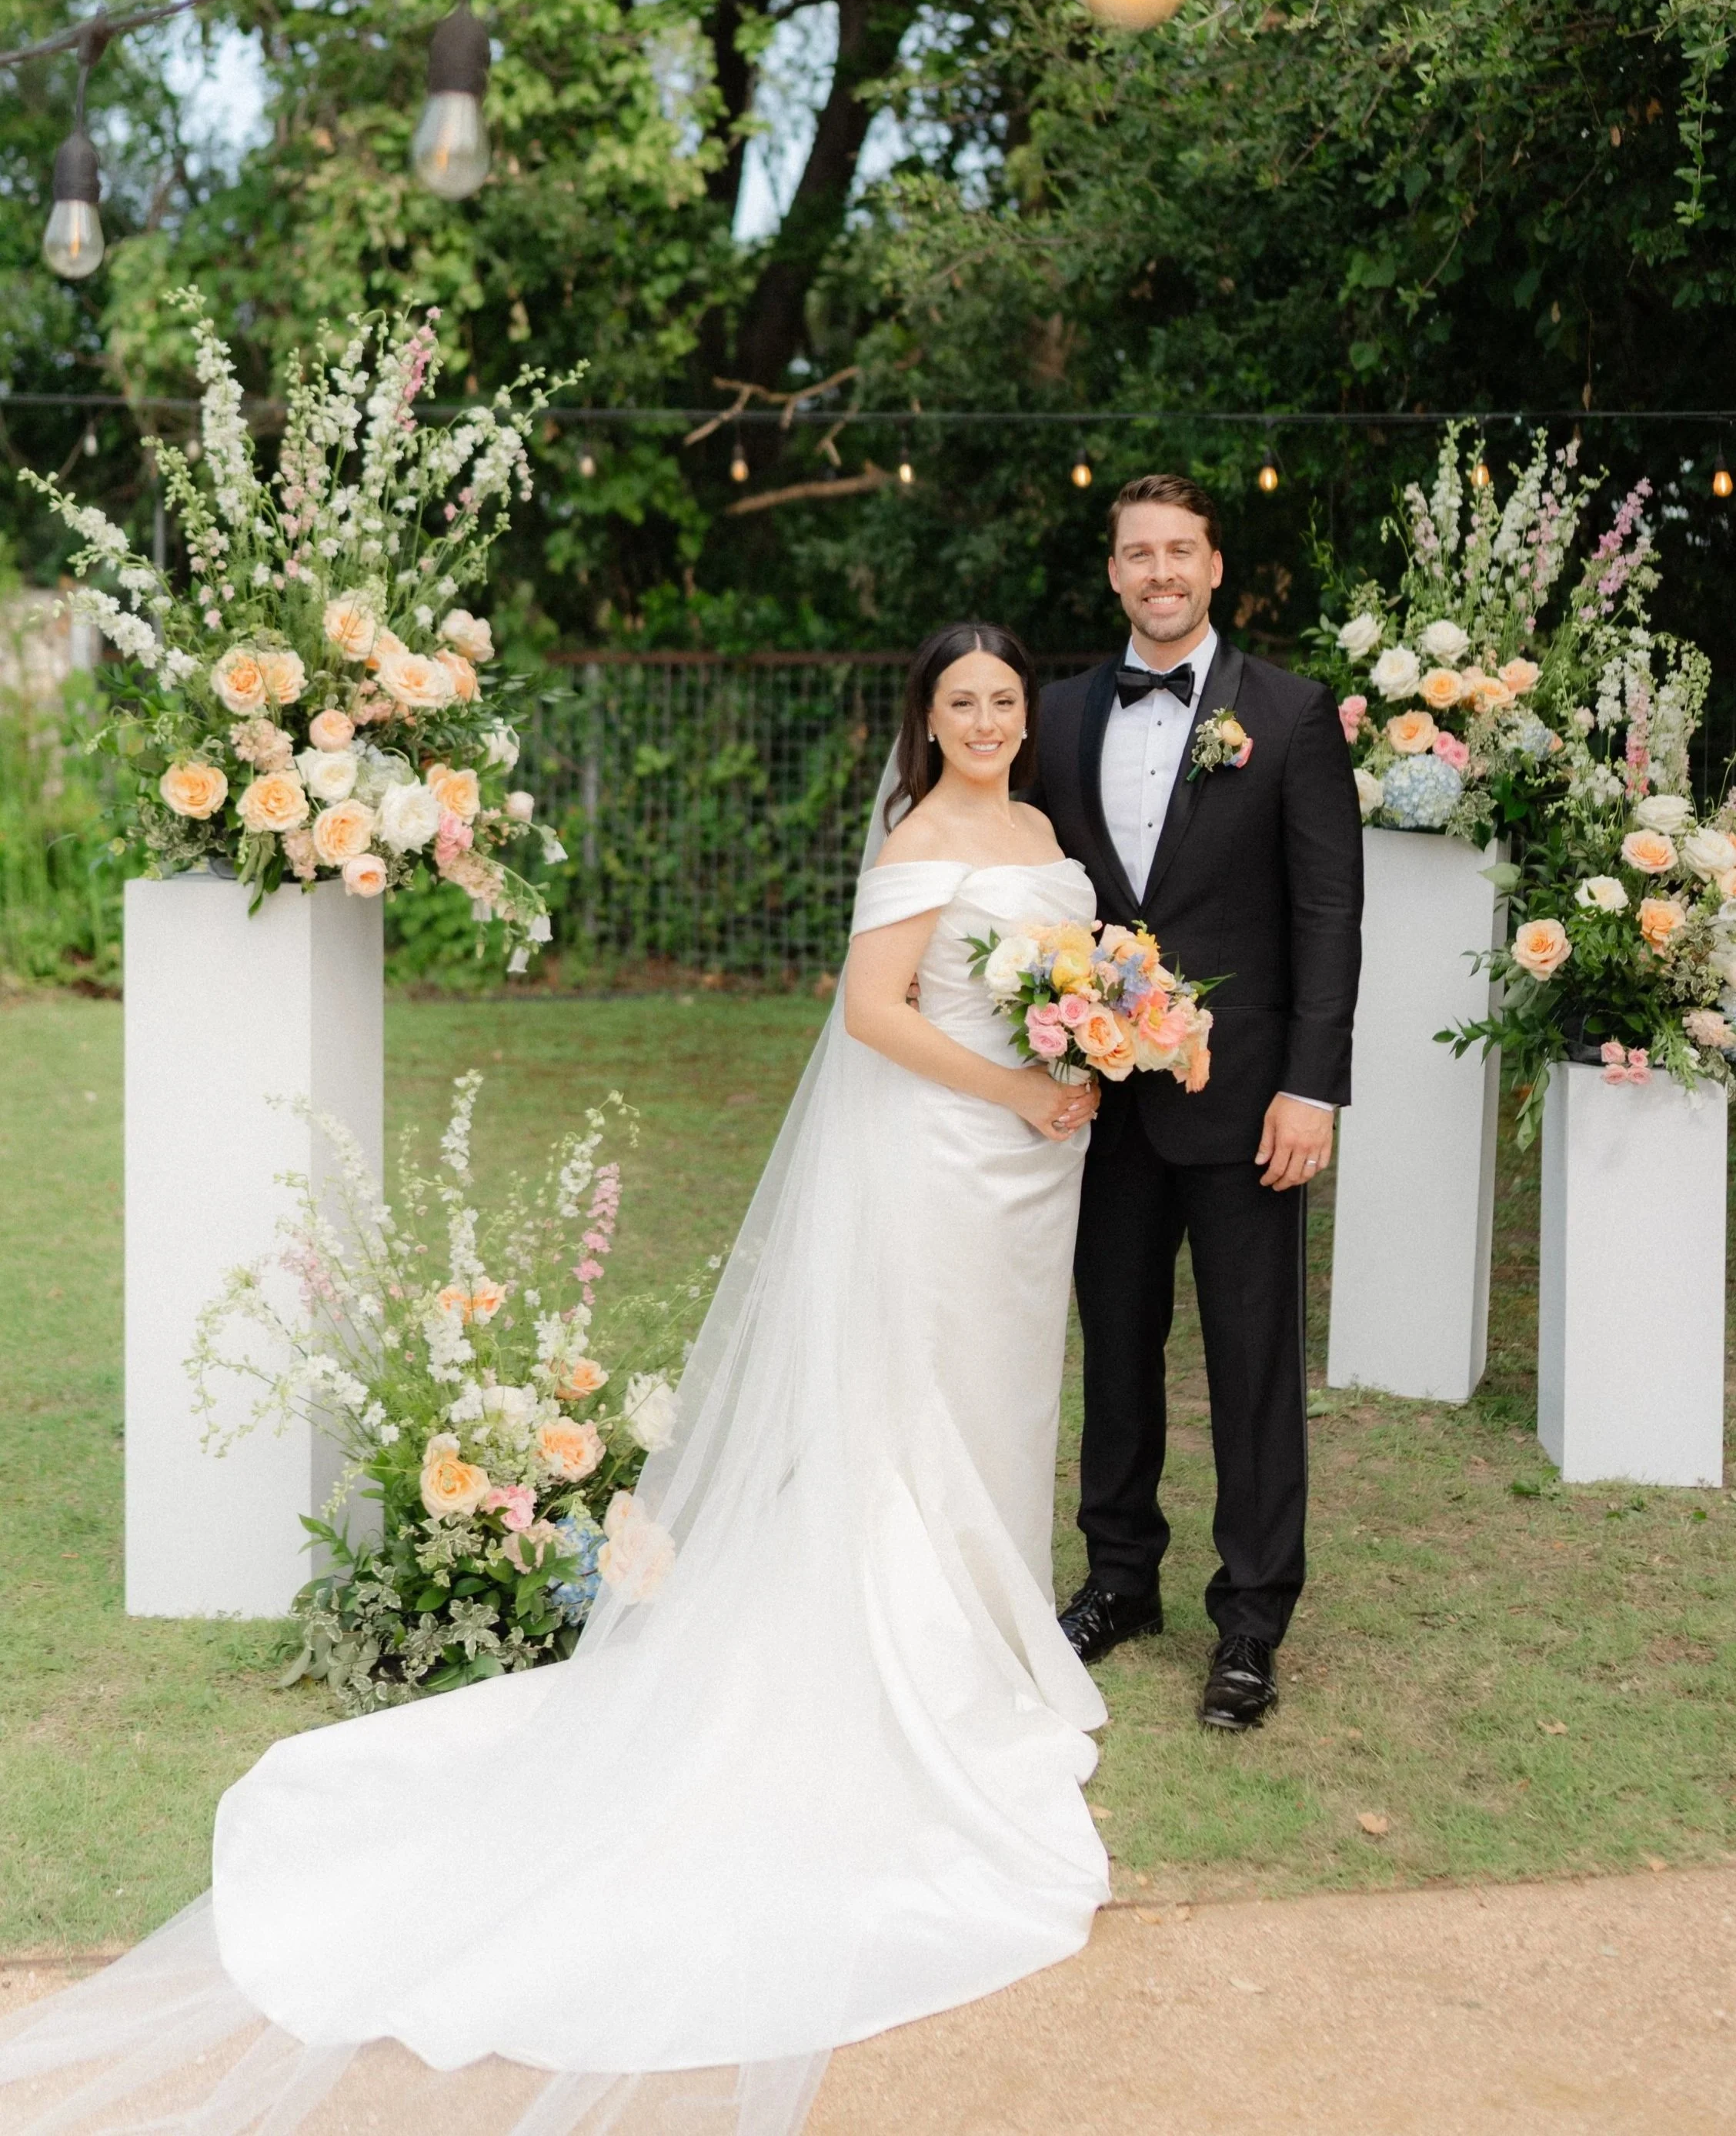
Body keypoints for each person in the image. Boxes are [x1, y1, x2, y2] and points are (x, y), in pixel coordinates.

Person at [0, 624, 1113, 2136]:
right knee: (906, 1402)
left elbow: (1067, 972)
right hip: (943, 1152)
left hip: (1030, 1175)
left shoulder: (1043, 830)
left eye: (1002, 700)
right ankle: (915, 1649)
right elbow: (874, 1013)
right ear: (925, 721)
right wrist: (1021, 1080)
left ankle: (985, 1624)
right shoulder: (919, 837)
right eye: (959, 702)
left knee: (994, 1402)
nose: (984, 719)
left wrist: (1093, 1043)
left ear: (1023, 715)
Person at [1028, 473, 1364, 1731]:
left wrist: (1311, 1087)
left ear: (1216, 566)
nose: (1159, 572)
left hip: (1245, 1109)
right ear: (1111, 571)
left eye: (1181, 551)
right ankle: (1119, 1581)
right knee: (1111, 1352)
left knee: (1251, 1361)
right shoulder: (1056, 716)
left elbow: (1328, 912)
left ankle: (1251, 1618)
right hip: (1101, 1105)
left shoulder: (1286, 714)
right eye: (1136, 553)